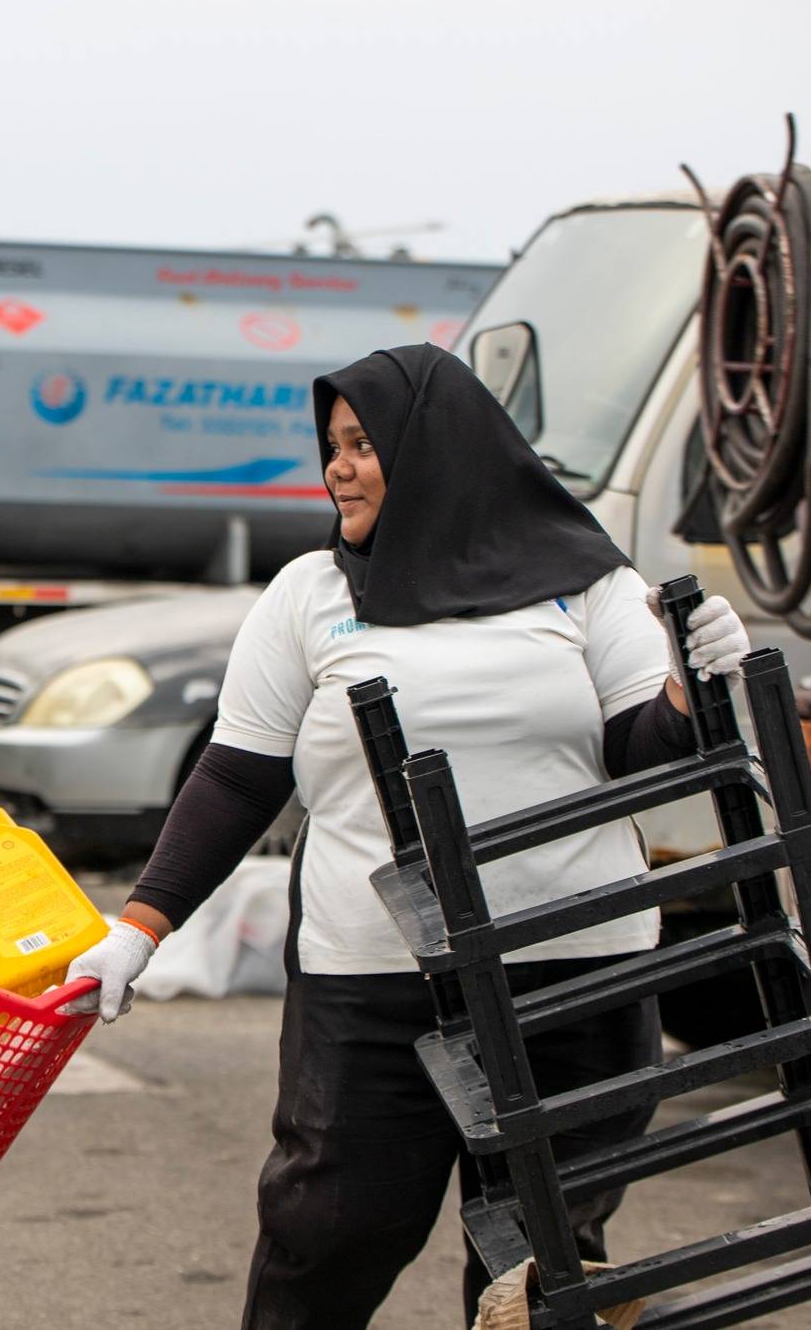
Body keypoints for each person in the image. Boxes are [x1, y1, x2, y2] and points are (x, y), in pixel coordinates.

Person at [61, 343, 751, 1328]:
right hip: (375, 980)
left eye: (360, 444)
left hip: (575, 970)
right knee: (332, 1231)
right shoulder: (310, 596)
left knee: (537, 1260)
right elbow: (235, 776)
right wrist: (137, 928)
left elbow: (644, 747)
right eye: (328, 446)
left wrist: (692, 683)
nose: (334, 467)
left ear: (439, 450)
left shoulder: (585, 585)